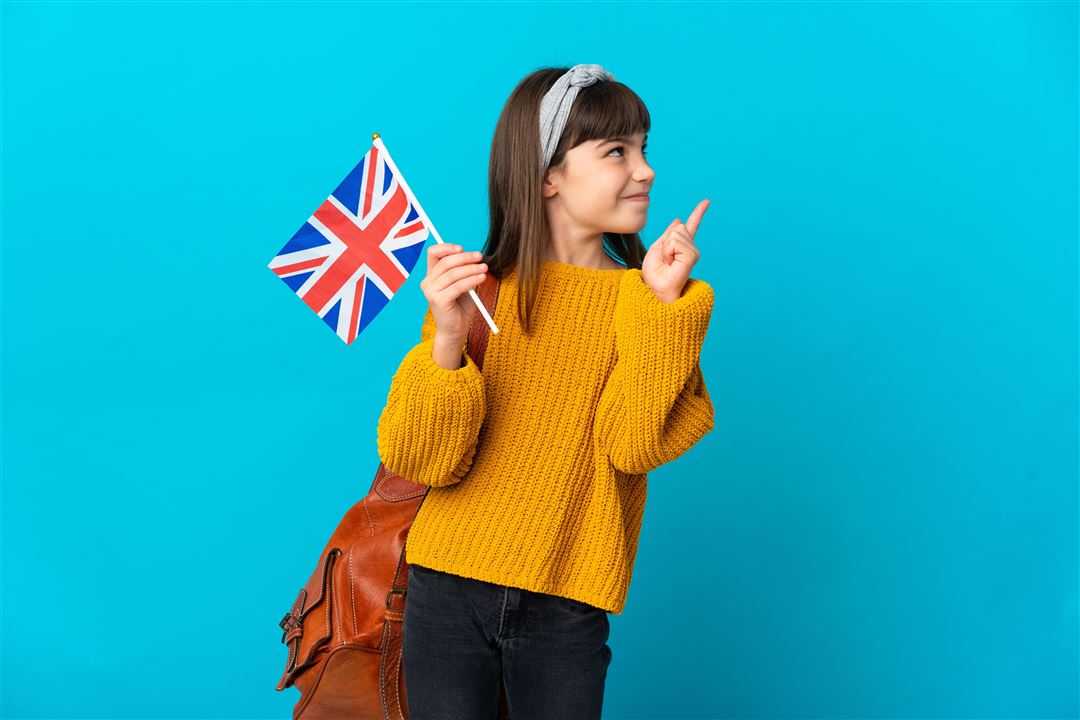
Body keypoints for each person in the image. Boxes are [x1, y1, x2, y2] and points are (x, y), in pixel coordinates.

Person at [376, 63, 716, 720]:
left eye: (644, 149)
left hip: (567, 605)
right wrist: (447, 340)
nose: (644, 170)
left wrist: (666, 309)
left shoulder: (647, 305)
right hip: (445, 591)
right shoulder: (477, 293)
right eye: (617, 150)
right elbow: (422, 461)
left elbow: (632, 444)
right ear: (547, 176)